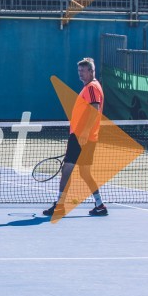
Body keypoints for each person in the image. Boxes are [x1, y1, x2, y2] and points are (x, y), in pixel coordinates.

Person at [43, 57, 107, 218]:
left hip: (81, 137)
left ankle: (59, 206)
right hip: (85, 137)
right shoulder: (90, 86)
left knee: (67, 171)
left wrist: (84, 133)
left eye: (83, 71)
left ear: (91, 71)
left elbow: (95, 108)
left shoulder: (92, 87)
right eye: (79, 71)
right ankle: (100, 205)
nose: (80, 74)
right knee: (85, 173)